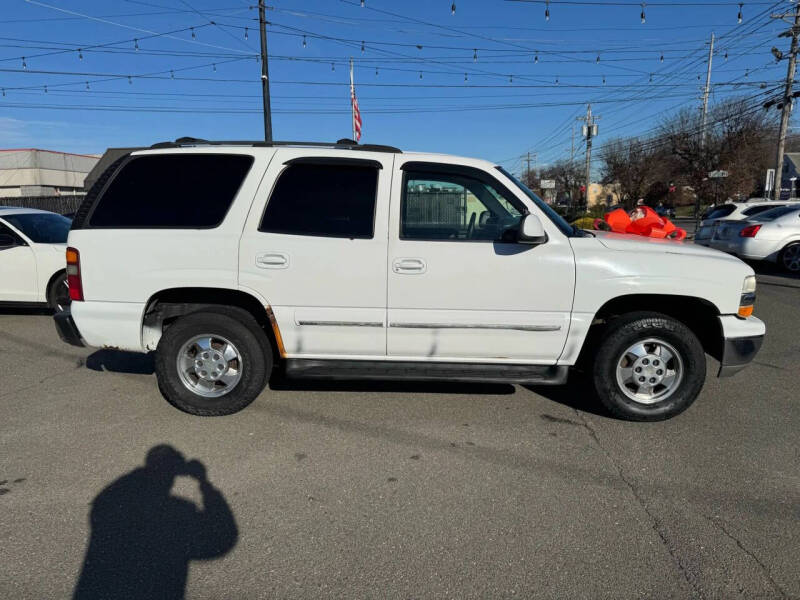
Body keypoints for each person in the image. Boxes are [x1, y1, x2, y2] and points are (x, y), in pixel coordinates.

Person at [73, 445, 238, 600]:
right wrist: (204, 482)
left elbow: (110, 496)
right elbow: (223, 538)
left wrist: (150, 473)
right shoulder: (180, 510)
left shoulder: (107, 505)